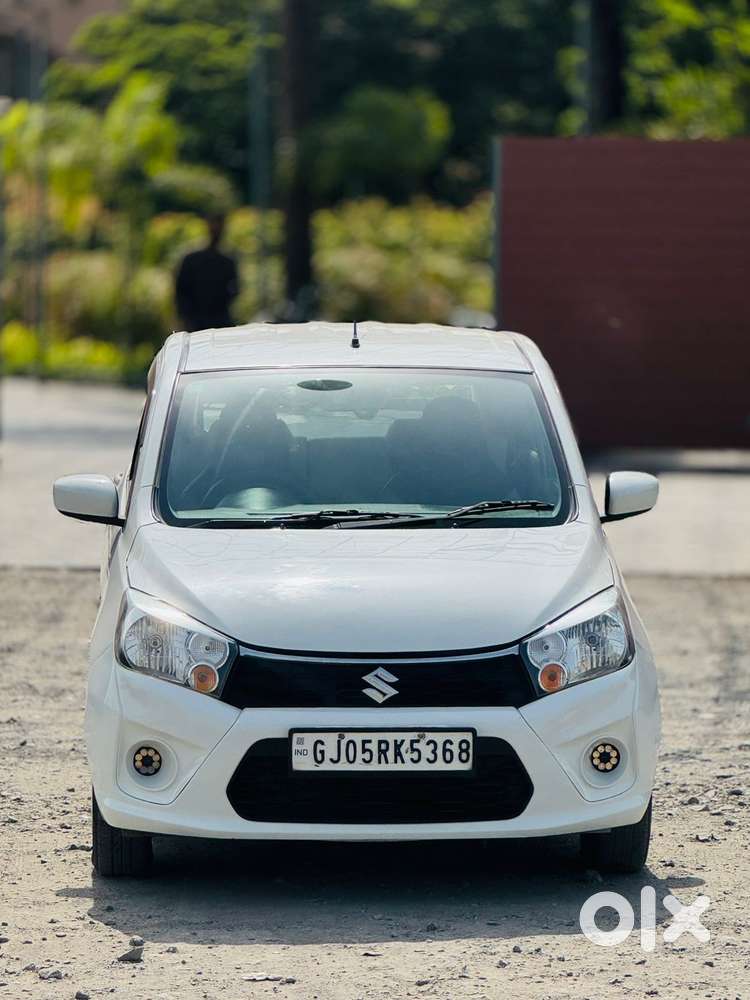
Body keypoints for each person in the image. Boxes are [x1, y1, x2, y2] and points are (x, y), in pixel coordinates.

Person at [175, 215, 239, 332]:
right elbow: (181, 291)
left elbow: (234, 290)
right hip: (197, 322)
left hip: (218, 321)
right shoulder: (193, 259)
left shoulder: (226, 261)